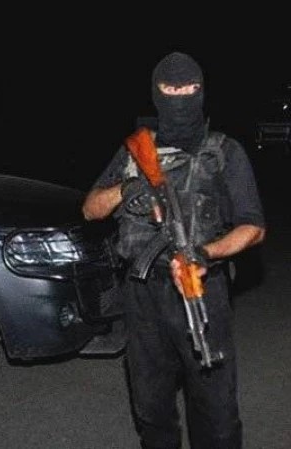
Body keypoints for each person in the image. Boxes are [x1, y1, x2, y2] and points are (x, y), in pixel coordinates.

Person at [81, 51, 265, 449]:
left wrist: (206, 254)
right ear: (155, 92)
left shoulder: (223, 152)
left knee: (216, 415)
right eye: (170, 88)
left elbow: (253, 228)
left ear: (201, 91)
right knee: (151, 409)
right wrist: (129, 188)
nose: (179, 97)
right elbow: (91, 209)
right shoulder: (135, 151)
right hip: (142, 295)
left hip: (199, 286)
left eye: (188, 88)